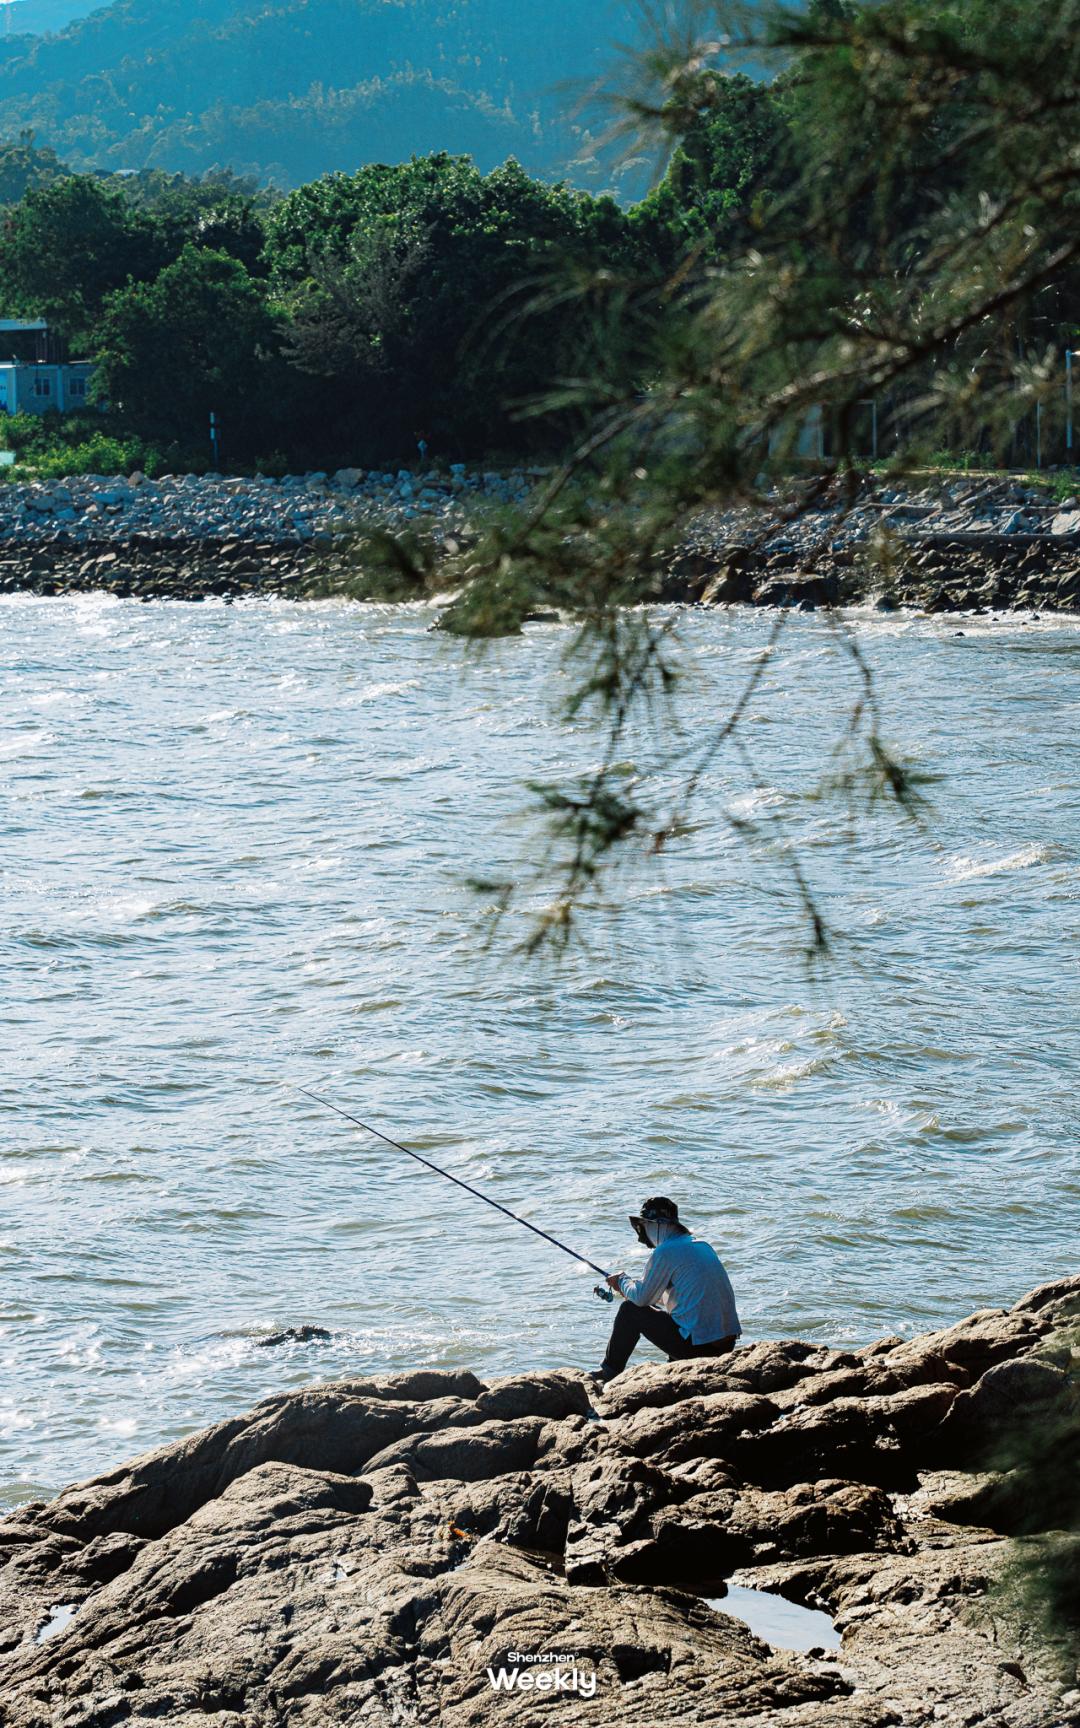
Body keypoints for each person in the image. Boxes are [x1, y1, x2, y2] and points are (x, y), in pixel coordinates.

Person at [593, 1196, 741, 1383]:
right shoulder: (701, 1245)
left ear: (656, 1225)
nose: (642, 1235)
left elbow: (641, 1299)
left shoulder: (666, 1251)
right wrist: (631, 1291)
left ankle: (609, 1372)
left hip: (701, 1349)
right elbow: (676, 1297)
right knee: (668, 1315)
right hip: (725, 1346)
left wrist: (622, 1281)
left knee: (630, 1311)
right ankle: (674, 1365)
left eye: (643, 1227)